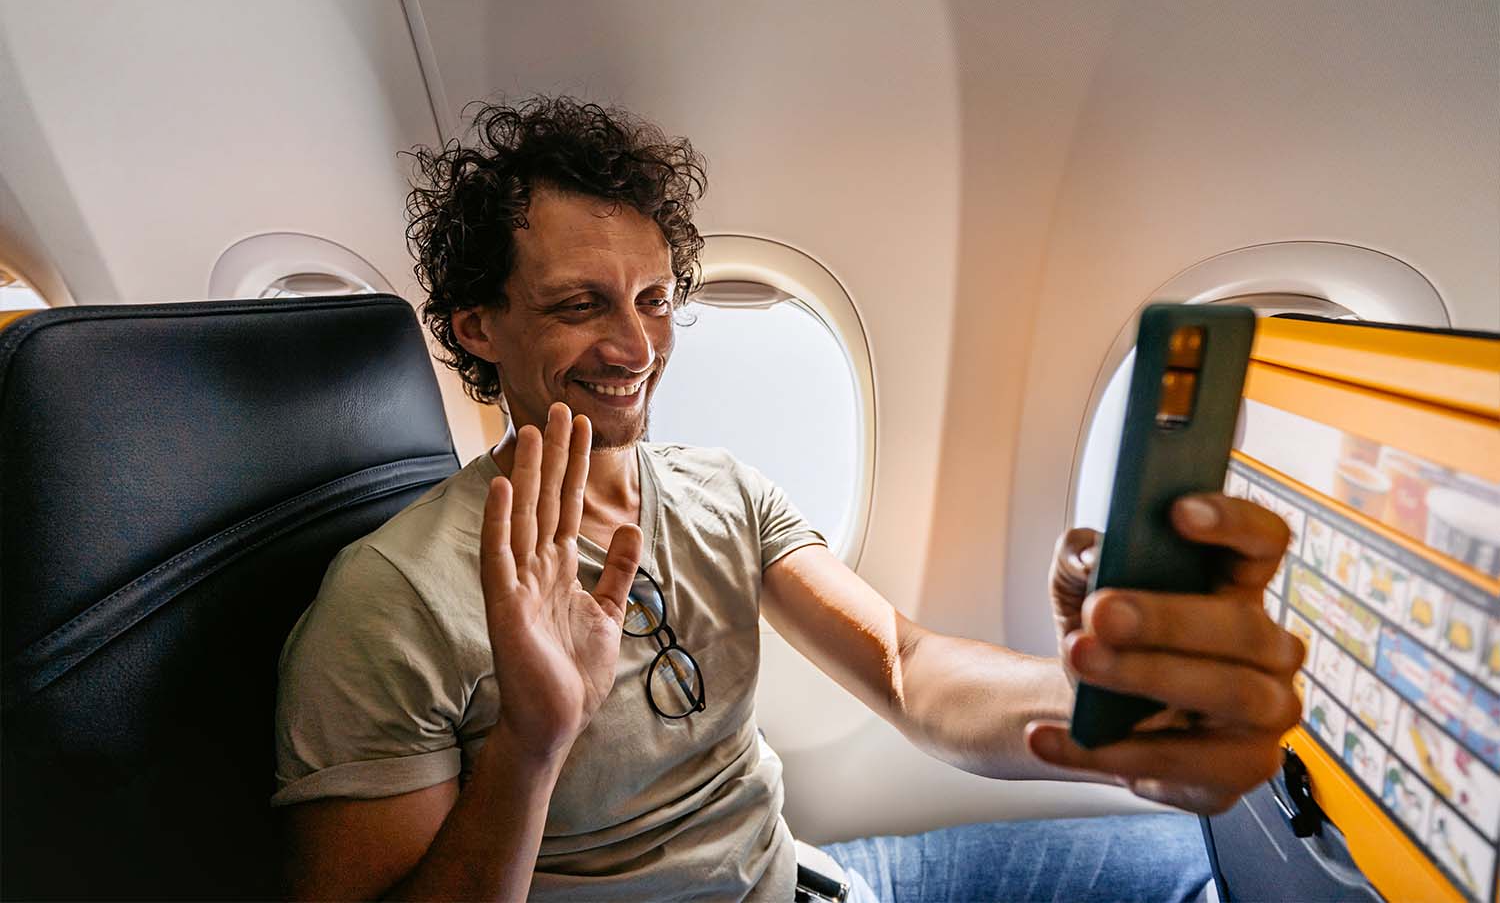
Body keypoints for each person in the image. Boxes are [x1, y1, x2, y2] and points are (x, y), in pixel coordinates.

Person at [274, 97, 1305, 902]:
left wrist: (1109, 705)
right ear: (480, 329)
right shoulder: (392, 601)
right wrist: (532, 743)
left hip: (815, 881)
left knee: (1207, 865)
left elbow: (906, 669)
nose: (635, 348)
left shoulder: (718, 491)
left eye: (651, 301)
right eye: (579, 305)